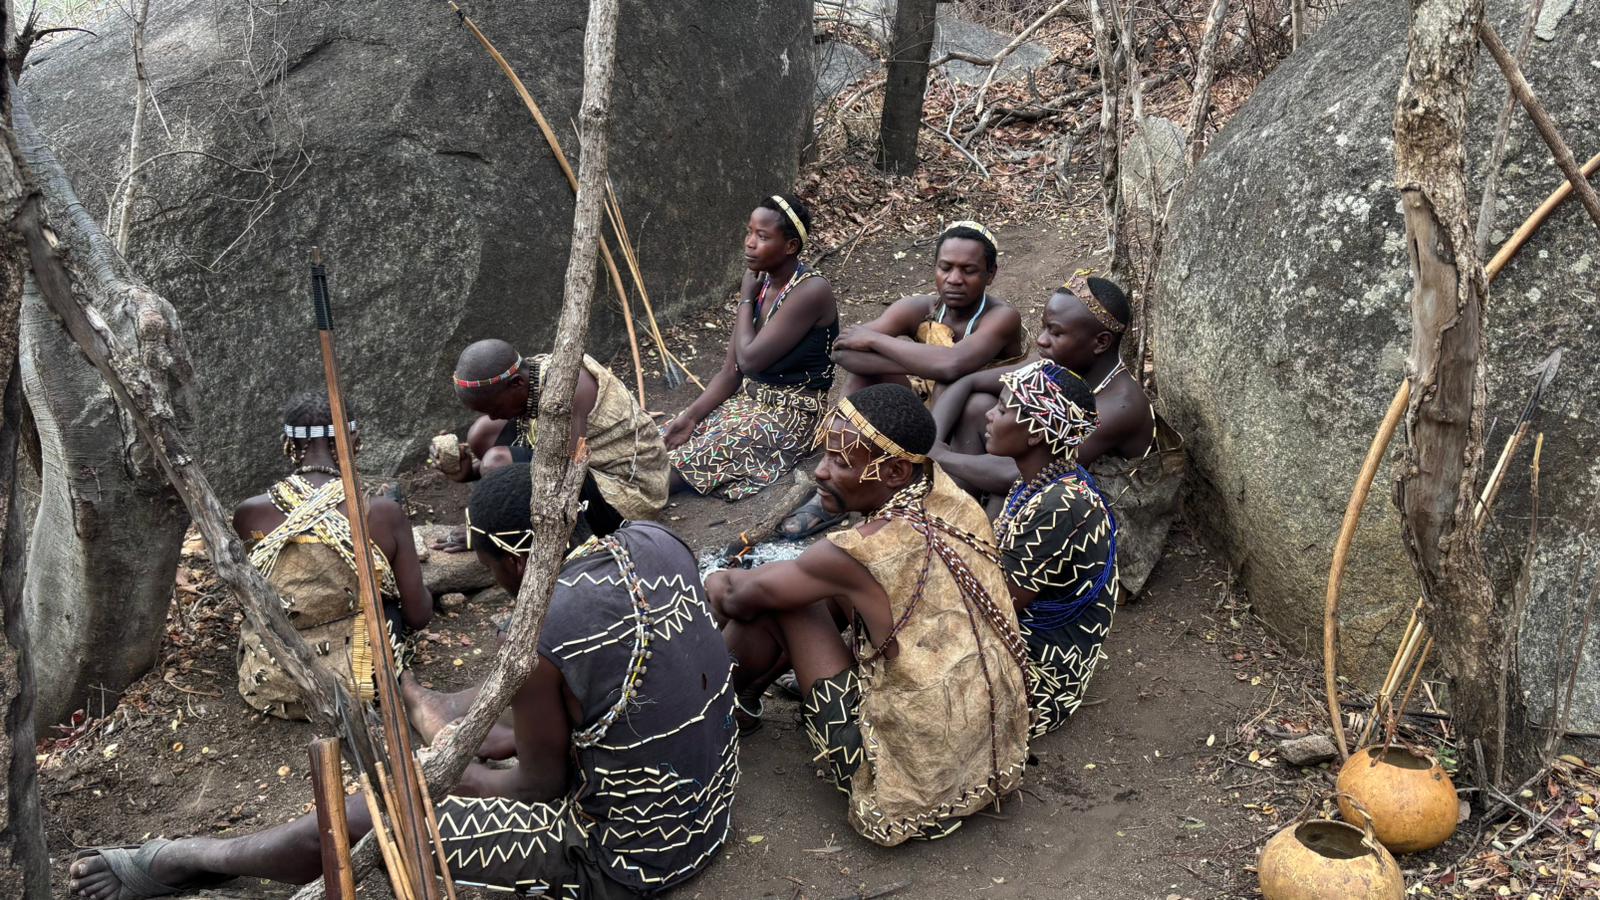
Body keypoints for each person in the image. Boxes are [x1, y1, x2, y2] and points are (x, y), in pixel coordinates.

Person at [69, 466, 738, 899]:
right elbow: (607, 686)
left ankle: (193, 858)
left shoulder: (542, 630)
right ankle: (436, 714)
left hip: (629, 862)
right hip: (710, 810)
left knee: (377, 812)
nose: (499, 584)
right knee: (507, 717)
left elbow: (543, 786)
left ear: (513, 559)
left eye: (489, 567)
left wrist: (445, 771)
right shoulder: (657, 541)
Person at [705, 384, 1029, 847]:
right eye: (825, 456)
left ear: (896, 471)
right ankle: (739, 701)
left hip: (904, 784)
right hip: (984, 757)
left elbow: (741, 598)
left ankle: (719, 710)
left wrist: (715, 582)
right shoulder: (948, 496)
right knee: (798, 587)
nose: (820, 471)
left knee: (784, 600)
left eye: (840, 462)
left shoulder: (852, 553)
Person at [779, 220, 1024, 538]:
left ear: (990, 274)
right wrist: (924, 364)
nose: (954, 279)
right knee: (864, 373)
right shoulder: (920, 308)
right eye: (945, 267)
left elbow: (953, 366)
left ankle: (949, 499)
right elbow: (842, 352)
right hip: (926, 409)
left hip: (971, 420)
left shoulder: (1001, 317)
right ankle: (836, 486)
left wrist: (876, 341)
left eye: (969, 270)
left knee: (975, 403)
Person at [231, 391, 432, 720]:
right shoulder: (381, 513)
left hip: (272, 682)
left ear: (288, 444)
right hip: (359, 682)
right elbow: (419, 615)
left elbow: (253, 601)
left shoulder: (249, 515)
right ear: (354, 440)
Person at [664, 195, 839, 499]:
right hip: (748, 403)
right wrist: (691, 417)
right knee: (660, 443)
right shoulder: (763, 286)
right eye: (749, 232)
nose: (749, 243)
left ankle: (611, 506)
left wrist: (744, 299)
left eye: (762, 236)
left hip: (792, 415)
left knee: (686, 464)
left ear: (790, 247)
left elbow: (749, 362)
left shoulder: (811, 290)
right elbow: (731, 371)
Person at [981, 361, 1117, 736]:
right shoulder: (1042, 483)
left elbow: (995, 605)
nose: (990, 414)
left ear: (1035, 434)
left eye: (1004, 409)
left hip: (1039, 682)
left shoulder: (1060, 505)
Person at [930, 275, 1155, 494]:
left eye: (1056, 332)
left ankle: (976, 523)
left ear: (1101, 342)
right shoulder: (1060, 363)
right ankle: (959, 500)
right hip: (1039, 477)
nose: (1041, 340)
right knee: (976, 407)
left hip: (1096, 511)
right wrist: (931, 439)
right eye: (1044, 327)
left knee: (1013, 485)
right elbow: (968, 382)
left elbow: (1023, 475)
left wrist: (940, 455)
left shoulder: (1120, 405)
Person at [431, 339, 669, 546]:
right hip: (568, 462)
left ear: (517, 384)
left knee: (496, 463)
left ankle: (522, 535)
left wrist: (484, 529)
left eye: (495, 408)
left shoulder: (571, 391)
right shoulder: (532, 378)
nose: (493, 416)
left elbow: (562, 478)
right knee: (482, 434)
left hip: (624, 492)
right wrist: (469, 472)